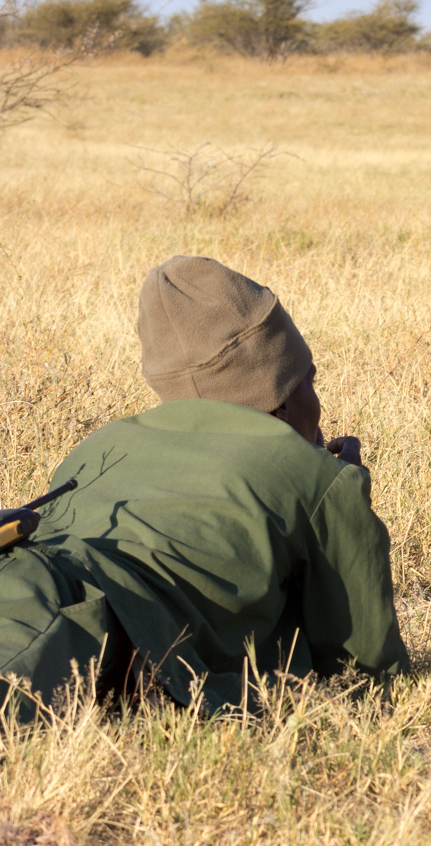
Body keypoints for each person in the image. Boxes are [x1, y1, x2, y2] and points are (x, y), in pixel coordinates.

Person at [0, 256, 408, 719]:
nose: (316, 396)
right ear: (282, 394)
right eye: (308, 378)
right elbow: (368, 674)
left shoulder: (99, 444)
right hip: (68, 625)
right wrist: (341, 493)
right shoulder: (314, 476)